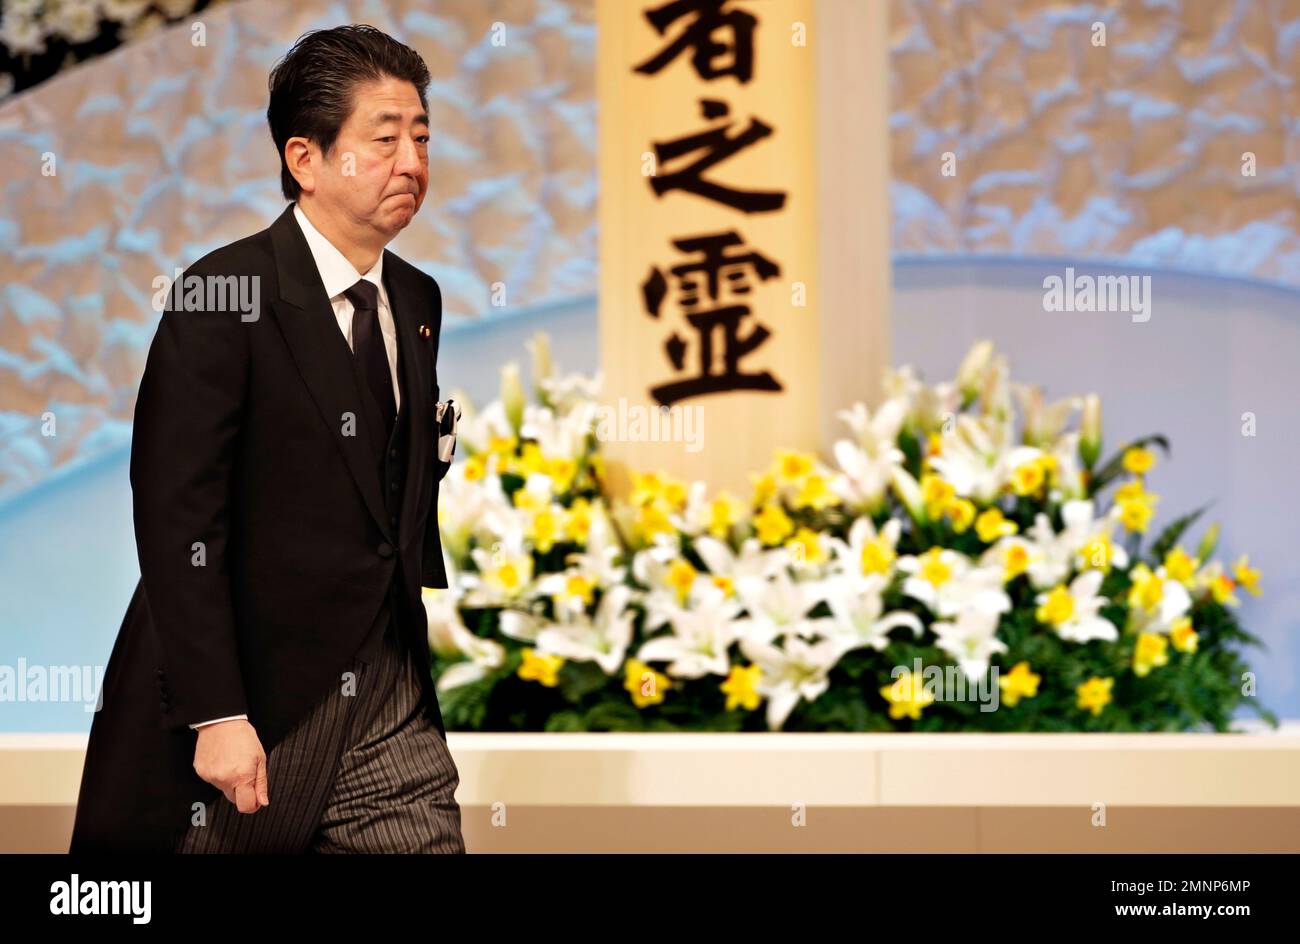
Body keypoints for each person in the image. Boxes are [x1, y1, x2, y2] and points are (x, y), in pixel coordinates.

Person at [69, 24, 464, 853]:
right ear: (304, 159)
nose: (411, 163)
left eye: (421, 138)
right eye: (383, 139)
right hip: (254, 699)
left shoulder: (417, 299)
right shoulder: (224, 294)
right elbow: (179, 518)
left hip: (388, 695)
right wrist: (216, 711)